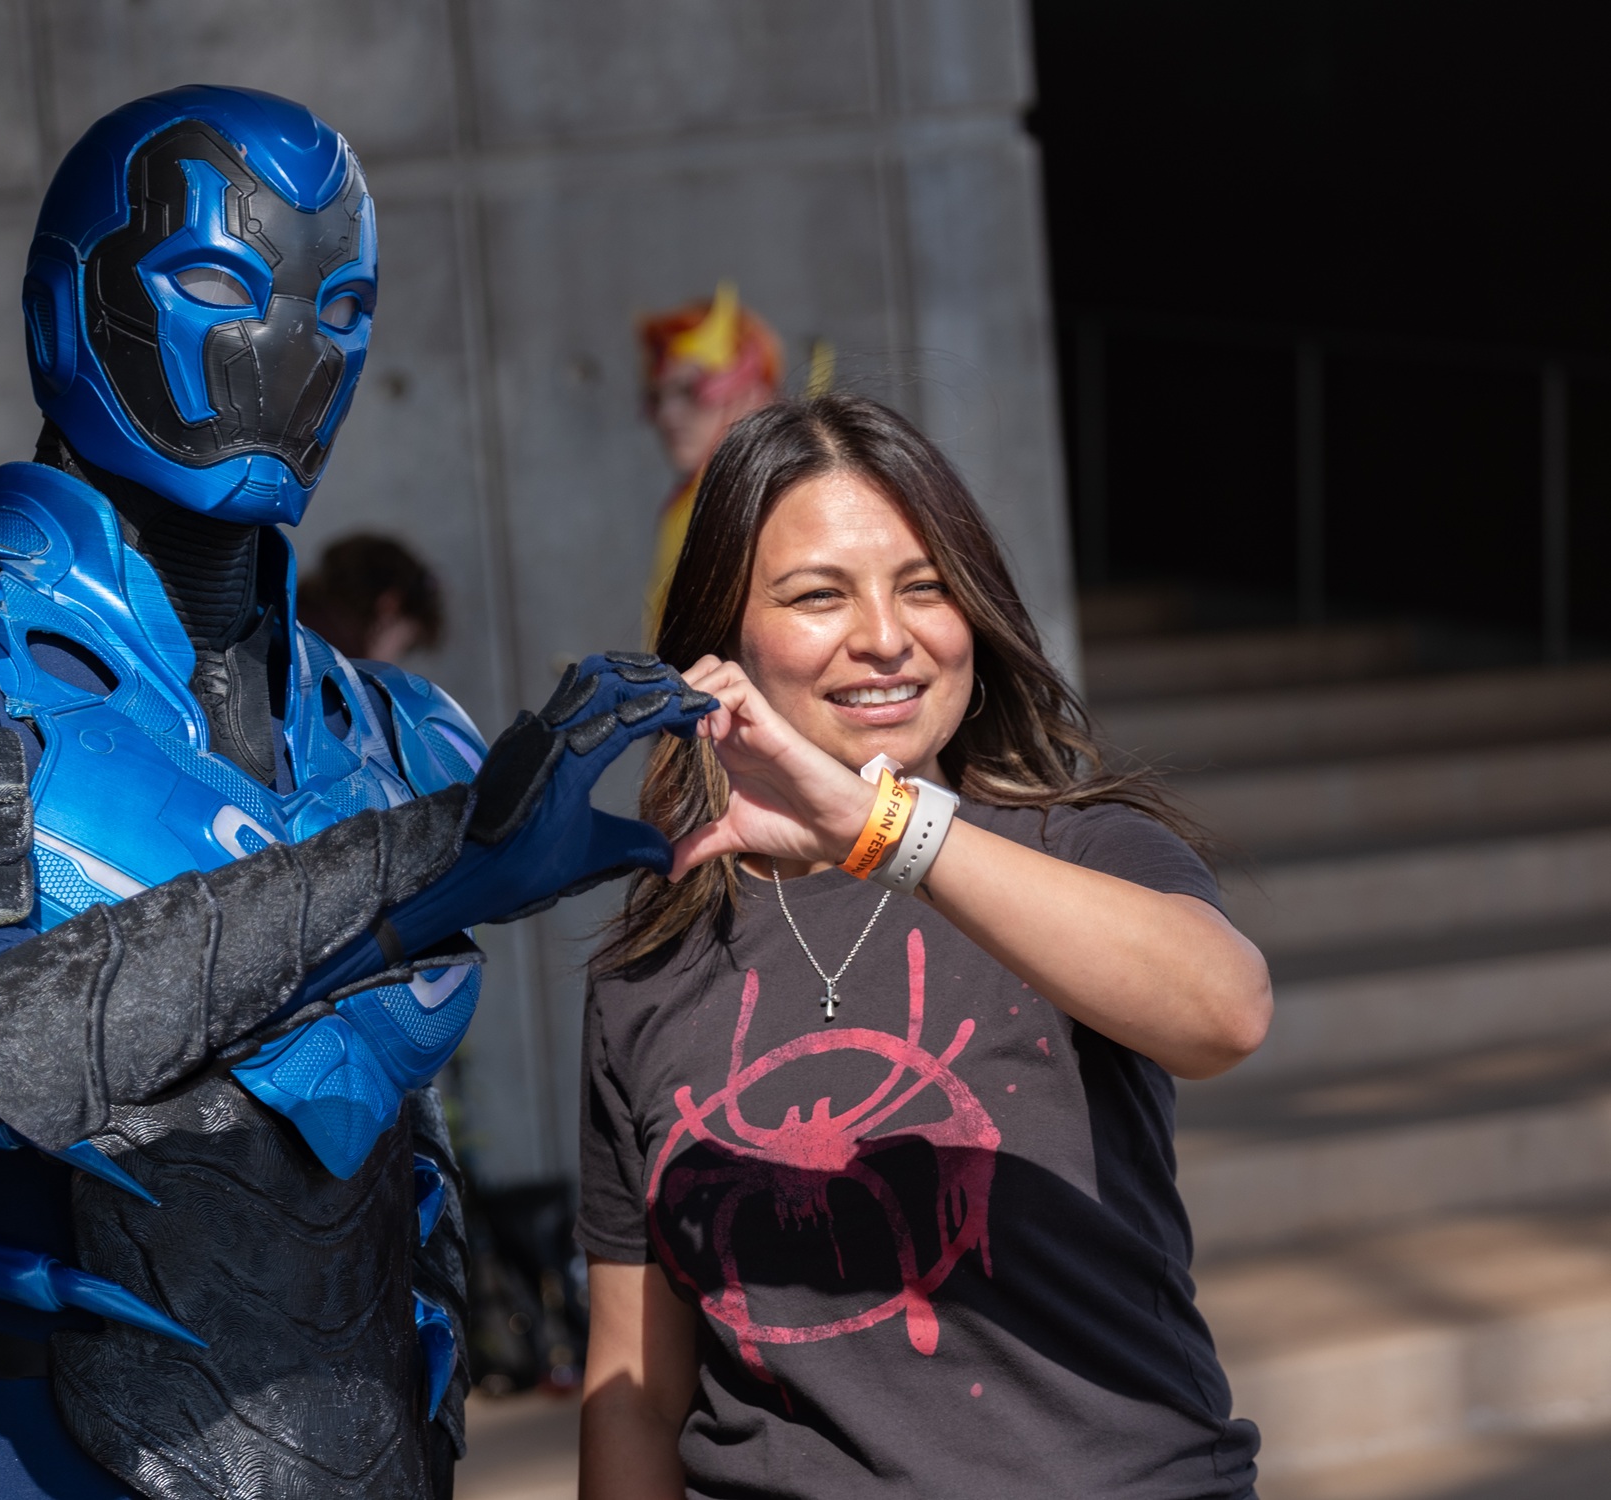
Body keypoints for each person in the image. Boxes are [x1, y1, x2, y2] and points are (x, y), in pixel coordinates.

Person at [0, 85, 711, 1500]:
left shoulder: (394, 731)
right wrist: (428, 870)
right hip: (45, 1445)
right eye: (217, 283)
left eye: (343, 309)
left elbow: (386, 1167)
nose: (287, 356)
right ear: (71, 304)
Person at [576, 394, 1274, 1498]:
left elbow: (1225, 1013)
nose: (887, 638)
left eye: (925, 586)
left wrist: (880, 828)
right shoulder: (648, 966)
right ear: (725, 639)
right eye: (819, 596)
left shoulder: (1077, 848)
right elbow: (637, 1392)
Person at [638, 283, 785, 634]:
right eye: (658, 396)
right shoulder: (689, 500)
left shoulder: (773, 500)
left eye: (692, 392)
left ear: (753, 394)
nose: (668, 415)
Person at [297, 531, 445, 665]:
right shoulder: (338, 667)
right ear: (389, 604)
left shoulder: (290, 612)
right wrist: (376, 664)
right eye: (404, 646)